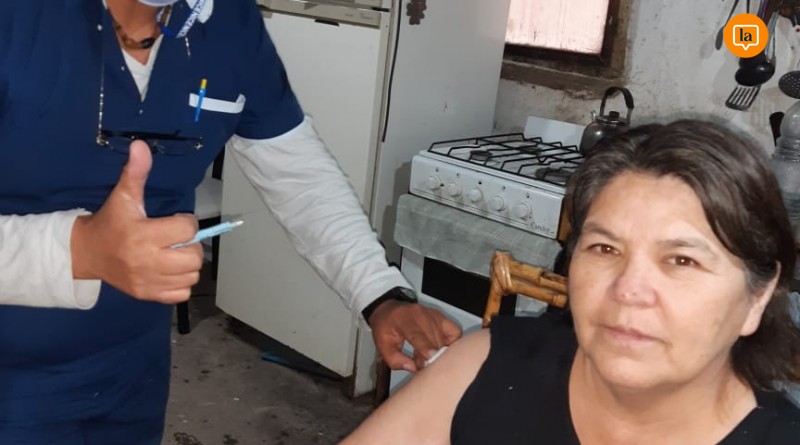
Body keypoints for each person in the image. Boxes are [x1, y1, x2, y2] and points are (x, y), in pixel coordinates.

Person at [0, 0, 461, 443]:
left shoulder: (227, 20)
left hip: (132, 374)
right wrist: (79, 251)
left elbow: (299, 175)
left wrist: (379, 294)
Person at [341, 120, 800, 445]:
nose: (627, 290)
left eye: (682, 260)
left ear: (757, 296)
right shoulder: (485, 366)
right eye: (605, 249)